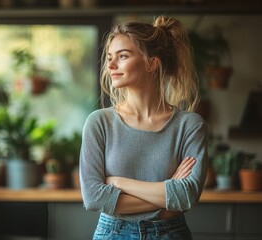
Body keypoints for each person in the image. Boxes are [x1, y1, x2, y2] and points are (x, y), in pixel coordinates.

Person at [79, 15, 208, 240]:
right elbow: (94, 198)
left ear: (152, 63)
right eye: (110, 57)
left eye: (123, 56)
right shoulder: (99, 122)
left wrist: (118, 182)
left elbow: (187, 196)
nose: (110, 65)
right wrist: (168, 194)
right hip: (112, 233)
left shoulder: (189, 125)